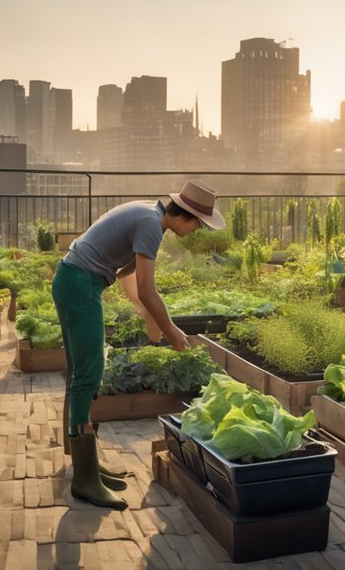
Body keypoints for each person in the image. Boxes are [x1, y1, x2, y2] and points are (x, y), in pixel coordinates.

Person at [51, 179, 225, 509]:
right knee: (88, 375)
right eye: (198, 225)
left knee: (82, 374)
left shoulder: (148, 212)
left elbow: (126, 274)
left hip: (74, 279)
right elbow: (147, 288)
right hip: (79, 284)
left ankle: (86, 464)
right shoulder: (151, 226)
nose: (196, 231)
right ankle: (84, 479)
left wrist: (145, 313)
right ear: (185, 216)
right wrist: (173, 332)